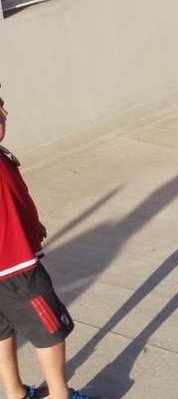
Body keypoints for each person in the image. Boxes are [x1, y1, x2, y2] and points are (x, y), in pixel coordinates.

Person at [0, 83, 97, 399]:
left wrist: (33, 224)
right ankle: (60, 395)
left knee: (3, 329)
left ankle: (14, 392)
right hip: (16, 270)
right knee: (51, 331)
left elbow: (13, 203)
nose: (5, 112)